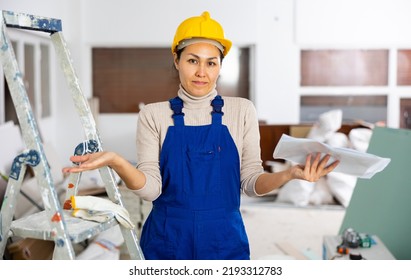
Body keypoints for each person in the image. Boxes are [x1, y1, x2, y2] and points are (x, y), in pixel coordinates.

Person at [63, 11, 339, 260]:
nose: (201, 72)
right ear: (177, 60)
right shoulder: (153, 115)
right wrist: (117, 161)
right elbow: (151, 191)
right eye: (193, 60)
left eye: (211, 63)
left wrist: (289, 174)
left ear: (220, 66)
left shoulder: (242, 110)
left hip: (223, 239)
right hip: (167, 239)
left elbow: (251, 183)